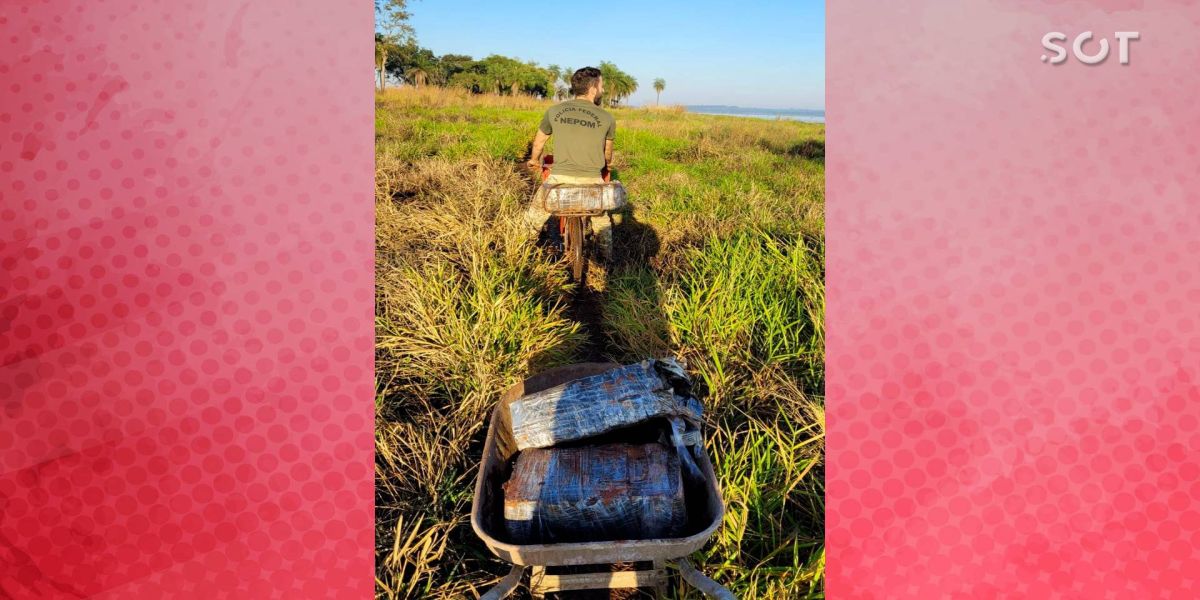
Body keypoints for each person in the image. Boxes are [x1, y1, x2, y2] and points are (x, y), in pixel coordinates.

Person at [524, 66, 616, 259]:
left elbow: (539, 141)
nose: (603, 90)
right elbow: (607, 152)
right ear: (593, 88)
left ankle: (520, 253)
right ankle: (608, 261)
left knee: (532, 218)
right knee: (602, 221)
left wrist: (533, 160)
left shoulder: (554, 111)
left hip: (559, 180)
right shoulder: (606, 117)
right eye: (602, 86)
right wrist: (607, 165)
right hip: (592, 181)